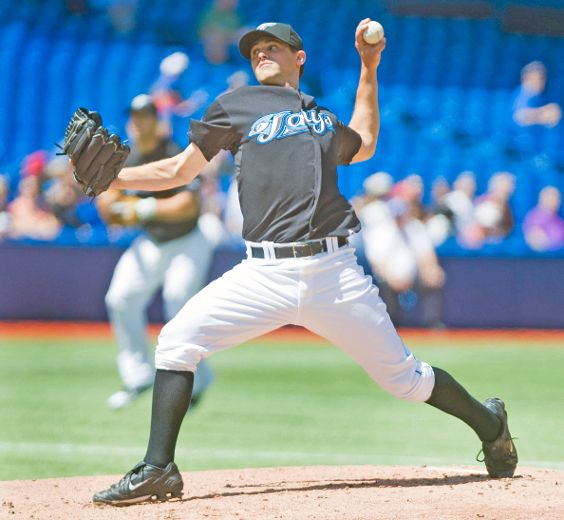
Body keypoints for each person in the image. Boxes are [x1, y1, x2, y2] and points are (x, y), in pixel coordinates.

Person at [92, 20, 517, 506]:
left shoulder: (318, 115)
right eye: (255, 49)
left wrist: (368, 66)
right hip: (263, 273)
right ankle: (158, 468)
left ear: (300, 58)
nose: (262, 53)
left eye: (274, 46)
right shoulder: (235, 106)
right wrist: (115, 178)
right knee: (176, 341)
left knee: (405, 380)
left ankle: (491, 424)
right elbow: (180, 169)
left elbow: (366, 141)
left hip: (333, 274)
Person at [96, 94, 215, 409]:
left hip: (188, 238)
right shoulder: (124, 157)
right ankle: (138, 376)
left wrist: (140, 208)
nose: (138, 122)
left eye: (145, 115)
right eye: (134, 116)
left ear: (157, 121)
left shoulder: (173, 152)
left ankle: (196, 381)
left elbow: (188, 205)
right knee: (120, 299)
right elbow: (108, 208)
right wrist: (96, 185)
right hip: (152, 242)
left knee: (178, 301)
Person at [523, 185, 564, 252]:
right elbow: (537, 244)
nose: (555, 202)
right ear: (542, 199)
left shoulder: (558, 219)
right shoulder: (535, 218)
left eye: (557, 198)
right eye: (550, 198)